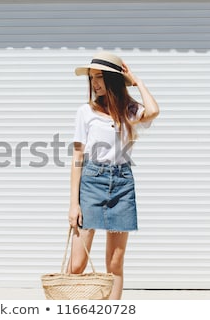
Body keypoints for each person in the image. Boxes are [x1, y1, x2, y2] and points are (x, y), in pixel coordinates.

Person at [68, 51, 159, 299]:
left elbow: (153, 111)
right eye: (91, 77)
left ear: (113, 79)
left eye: (99, 77)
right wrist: (74, 204)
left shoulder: (128, 110)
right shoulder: (85, 112)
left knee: (115, 263)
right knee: (77, 264)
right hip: (92, 181)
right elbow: (77, 157)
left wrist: (136, 81)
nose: (94, 82)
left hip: (122, 184)